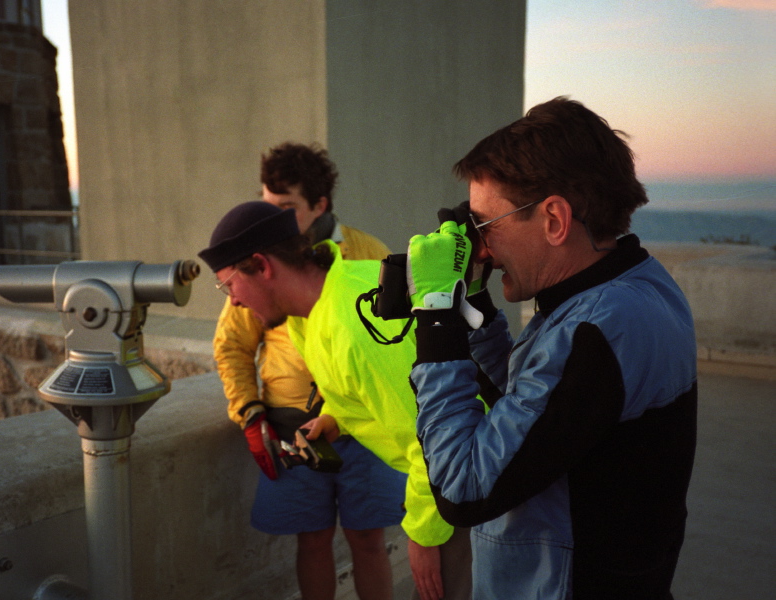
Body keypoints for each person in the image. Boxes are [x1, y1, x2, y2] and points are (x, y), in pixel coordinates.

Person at [405, 97, 697, 599]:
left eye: (483, 225)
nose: (482, 248)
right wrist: (470, 296)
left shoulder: (598, 329)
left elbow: (463, 486)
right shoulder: (635, 289)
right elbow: (530, 409)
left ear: (554, 220)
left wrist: (436, 320)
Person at [199, 201, 472, 600]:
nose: (234, 301)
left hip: (458, 493)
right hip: (447, 486)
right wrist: (335, 417)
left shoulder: (351, 326)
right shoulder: (313, 309)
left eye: (228, 285)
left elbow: (434, 439)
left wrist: (424, 537)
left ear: (262, 265)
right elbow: (368, 387)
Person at [210, 143, 403, 600]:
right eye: (264, 203)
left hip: (367, 432)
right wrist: (250, 411)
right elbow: (232, 344)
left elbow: (394, 360)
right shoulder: (255, 277)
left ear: (320, 205)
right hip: (295, 427)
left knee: (369, 540)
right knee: (311, 540)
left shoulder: (365, 254)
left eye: (283, 207)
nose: (267, 216)